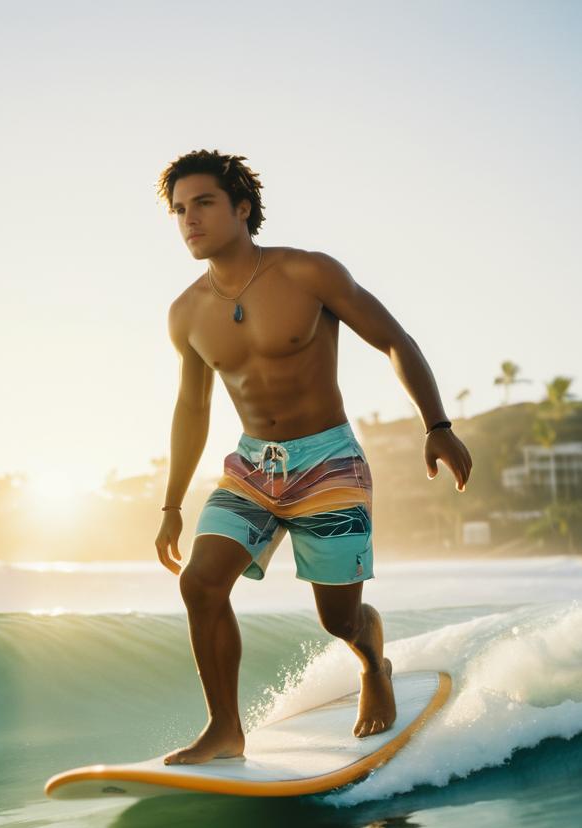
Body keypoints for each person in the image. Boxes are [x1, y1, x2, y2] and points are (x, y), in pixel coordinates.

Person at [154, 149, 472, 766]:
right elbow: (191, 410)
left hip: (329, 464)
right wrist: (171, 502)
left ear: (242, 208)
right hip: (252, 468)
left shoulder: (308, 274)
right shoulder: (186, 312)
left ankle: (370, 655)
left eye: (204, 204)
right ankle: (225, 728)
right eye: (179, 210)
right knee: (200, 582)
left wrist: (436, 424)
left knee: (337, 618)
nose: (189, 220)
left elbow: (393, 339)